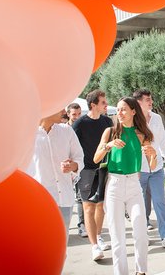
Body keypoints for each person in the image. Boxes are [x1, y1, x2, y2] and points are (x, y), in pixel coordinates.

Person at [94, 97, 153, 275]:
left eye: (124, 109)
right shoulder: (110, 132)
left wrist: (153, 153)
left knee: (141, 232)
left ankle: (141, 271)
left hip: (134, 184)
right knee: (117, 236)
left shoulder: (142, 134)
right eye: (118, 109)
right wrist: (108, 146)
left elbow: (152, 163)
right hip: (114, 185)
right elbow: (96, 158)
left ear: (134, 111)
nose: (119, 113)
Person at [27, 108, 84, 244]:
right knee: (40, 246)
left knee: (61, 248)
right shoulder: (27, 135)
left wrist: (73, 166)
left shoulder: (67, 131)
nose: (64, 111)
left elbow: (79, 158)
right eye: (60, 107)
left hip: (64, 198)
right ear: (47, 108)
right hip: (39, 202)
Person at [73, 89, 113, 261]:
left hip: (104, 168)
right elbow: (72, 146)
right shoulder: (80, 123)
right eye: (103, 102)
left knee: (100, 206)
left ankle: (98, 236)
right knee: (88, 207)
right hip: (86, 169)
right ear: (93, 105)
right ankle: (94, 246)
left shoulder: (107, 121)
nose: (106, 105)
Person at [134, 89, 165, 250]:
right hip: (139, 170)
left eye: (151, 99)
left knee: (160, 202)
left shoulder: (157, 118)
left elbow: (162, 140)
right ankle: (142, 235)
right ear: (139, 103)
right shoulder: (133, 119)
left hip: (156, 167)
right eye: (147, 100)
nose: (151, 102)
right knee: (139, 204)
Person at [66, 102, 87, 238]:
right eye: (74, 114)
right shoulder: (62, 129)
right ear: (68, 114)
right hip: (64, 169)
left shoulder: (82, 127)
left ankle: (82, 225)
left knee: (80, 197)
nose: (77, 117)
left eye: (79, 114)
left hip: (79, 167)